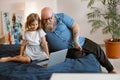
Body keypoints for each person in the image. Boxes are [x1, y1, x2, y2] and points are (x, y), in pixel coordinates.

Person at [40, 7, 116, 73]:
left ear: (53, 15)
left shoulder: (62, 17)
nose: (48, 21)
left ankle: (111, 69)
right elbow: (42, 42)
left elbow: (75, 26)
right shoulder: (40, 27)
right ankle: (91, 57)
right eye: (45, 20)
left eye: (50, 18)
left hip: (79, 41)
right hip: (67, 50)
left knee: (96, 48)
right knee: (77, 55)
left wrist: (76, 42)